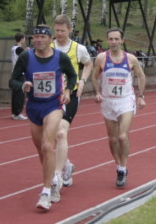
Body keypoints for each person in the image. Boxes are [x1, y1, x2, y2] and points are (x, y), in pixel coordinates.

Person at [9, 24, 77, 211]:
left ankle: (45, 193)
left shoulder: (60, 57)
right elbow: (12, 80)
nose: (39, 40)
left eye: (42, 37)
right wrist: (23, 85)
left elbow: (72, 76)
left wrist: (69, 91)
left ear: (50, 39)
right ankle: (54, 180)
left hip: (53, 105)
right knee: (41, 150)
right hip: (34, 107)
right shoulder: (26, 57)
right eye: (36, 37)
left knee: (48, 145)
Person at [92, 27, 146, 187]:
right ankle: (119, 166)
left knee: (122, 136)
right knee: (113, 139)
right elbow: (94, 77)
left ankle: (123, 166)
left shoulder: (130, 59)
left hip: (125, 101)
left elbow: (141, 76)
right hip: (108, 101)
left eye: (117, 39)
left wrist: (141, 96)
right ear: (107, 40)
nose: (114, 42)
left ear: (122, 41)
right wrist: (97, 92)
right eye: (111, 39)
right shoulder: (101, 58)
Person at [52, 14, 93, 188]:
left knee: (61, 132)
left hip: (70, 95)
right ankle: (67, 164)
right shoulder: (48, 46)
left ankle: (57, 175)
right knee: (52, 135)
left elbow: (88, 64)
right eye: (56, 30)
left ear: (69, 30)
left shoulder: (78, 49)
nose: (59, 33)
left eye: (62, 30)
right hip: (51, 97)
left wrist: (82, 81)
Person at [10, 32, 28, 120]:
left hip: (14, 72)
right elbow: (25, 57)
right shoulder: (19, 49)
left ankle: (14, 112)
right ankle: (18, 113)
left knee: (15, 94)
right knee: (20, 94)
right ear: (22, 39)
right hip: (19, 73)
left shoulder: (13, 48)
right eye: (24, 38)